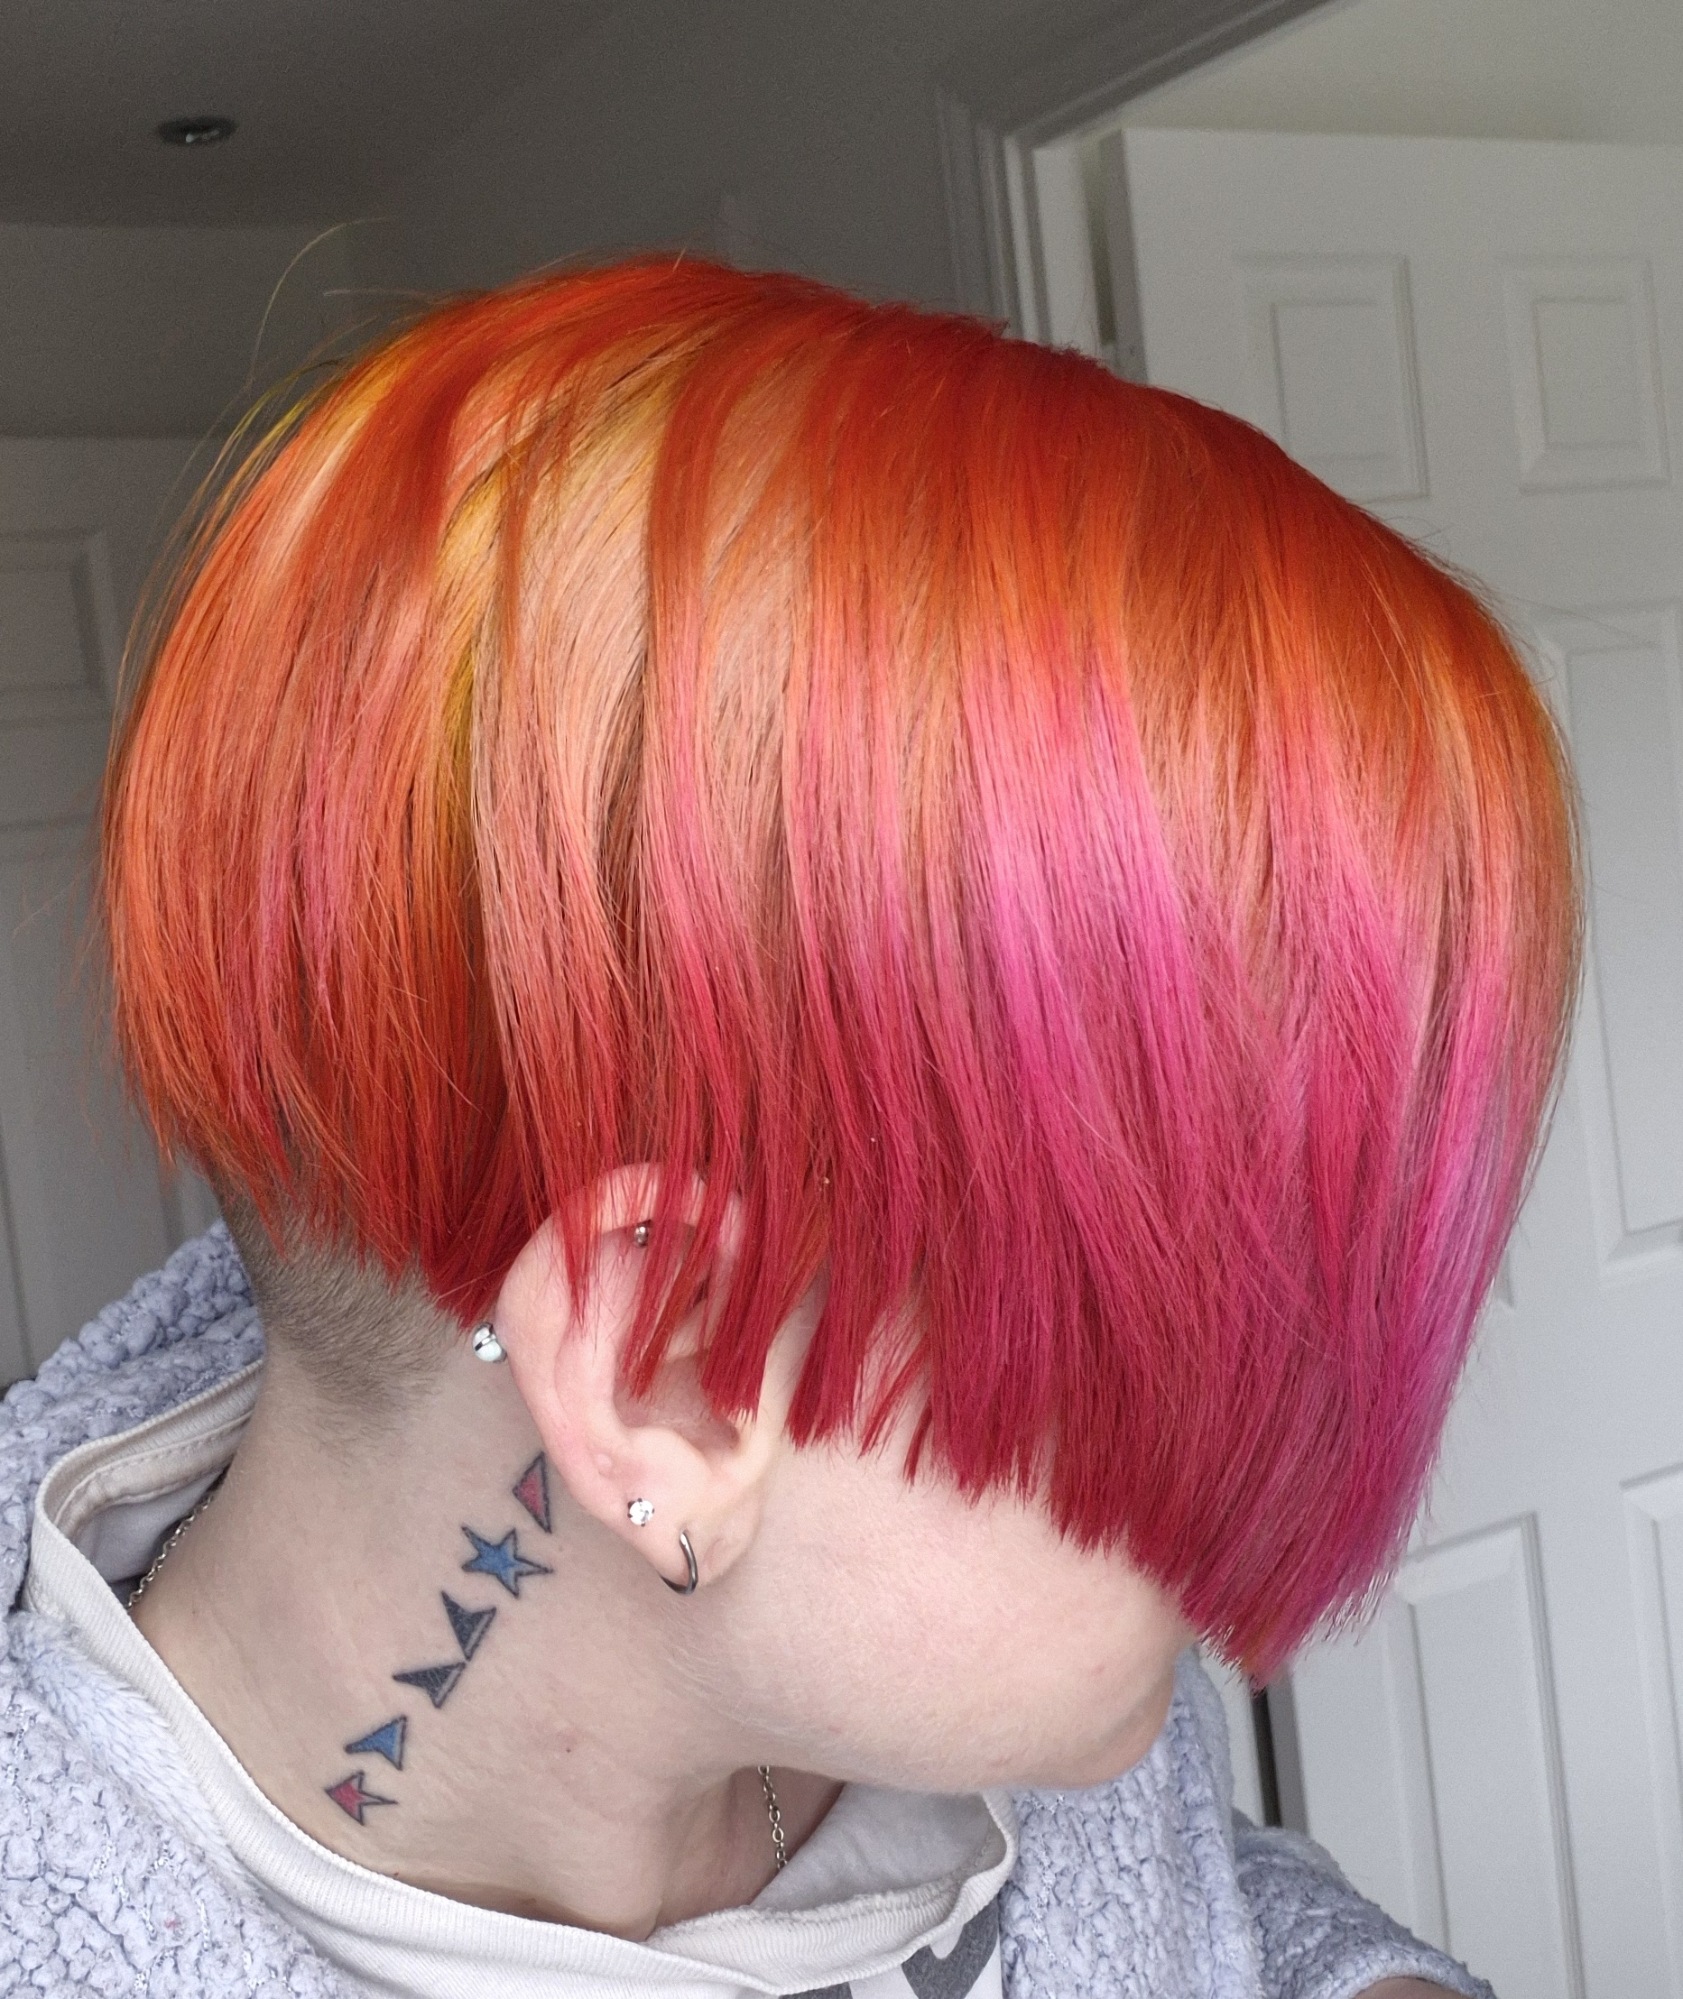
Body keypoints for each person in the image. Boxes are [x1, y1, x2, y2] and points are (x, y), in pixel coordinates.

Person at [0, 258, 1577, 1997]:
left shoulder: (884, 1633)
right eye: (1202, 1365)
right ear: (674, 1373)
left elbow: (1169, 1908)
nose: (1282, 1452)